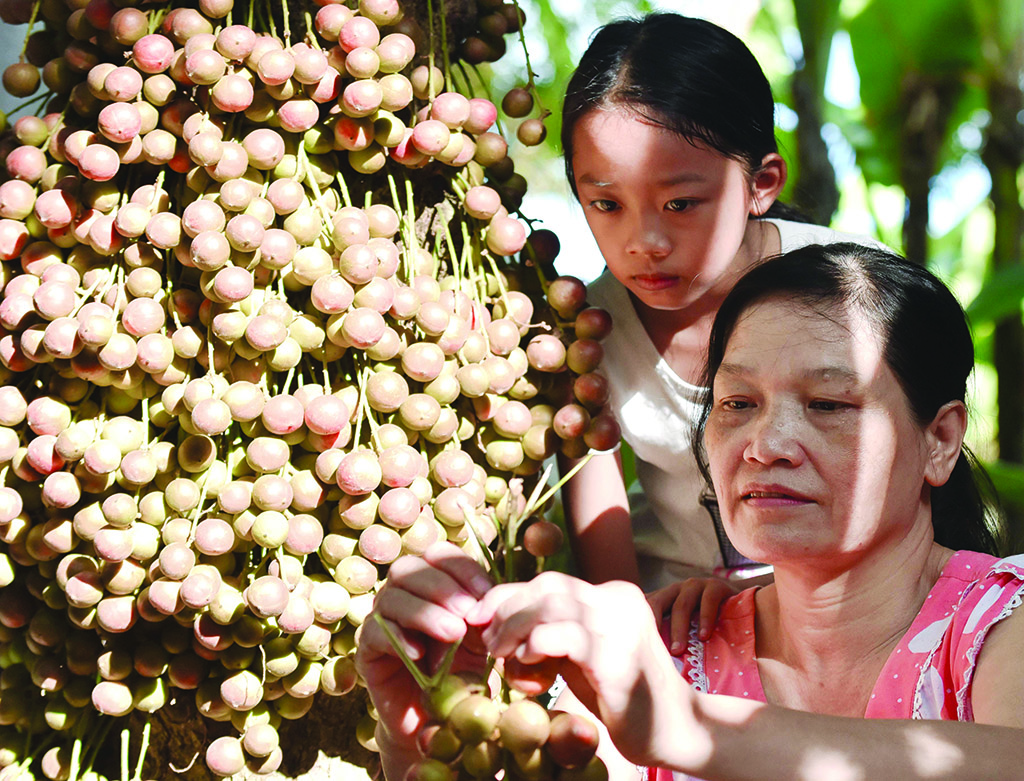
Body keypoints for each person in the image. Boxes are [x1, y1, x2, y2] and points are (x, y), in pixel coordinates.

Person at [357, 244, 1024, 781]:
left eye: (828, 405)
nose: (765, 445)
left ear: (938, 439)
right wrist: (415, 737)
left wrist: (688, 727)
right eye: (737, 403)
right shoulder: (676, 647)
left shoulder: (999, 623)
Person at [558, 12, 887, 599]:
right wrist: (634, 638)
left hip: (851, 619)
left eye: (681, 204)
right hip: (679, 624)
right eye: (606, 205)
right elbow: (600, 510)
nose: (645, 243)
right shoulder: (587, 329)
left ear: (761, 183)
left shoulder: (860, 294)